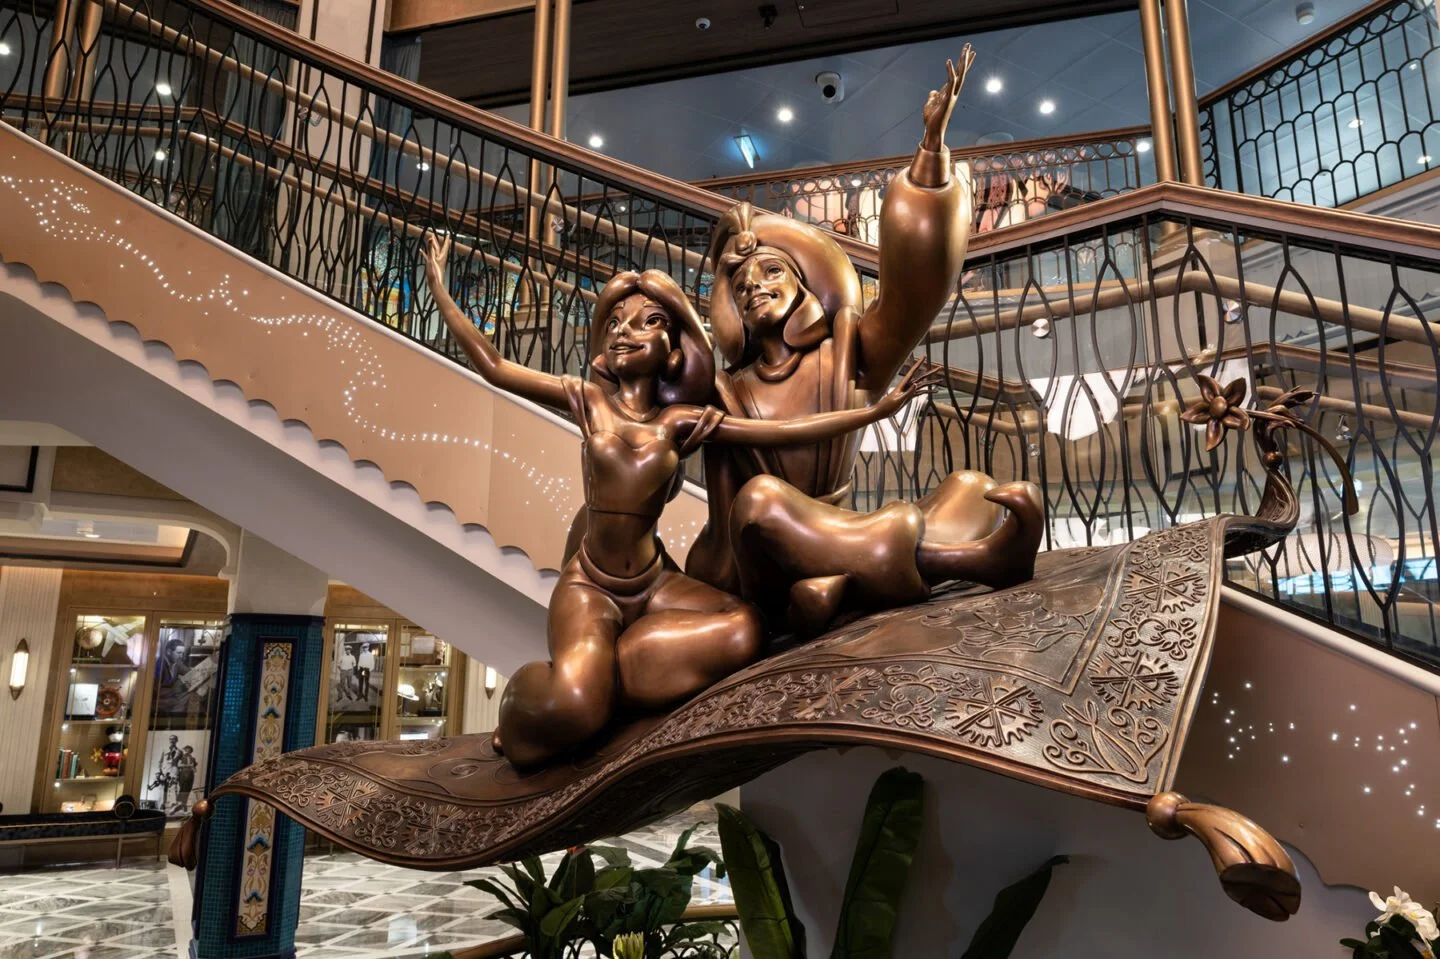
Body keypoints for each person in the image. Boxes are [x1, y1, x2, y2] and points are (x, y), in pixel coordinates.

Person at [423, 236, 937, 767]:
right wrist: (440, 285)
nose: (627, 330)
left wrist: (873, 414)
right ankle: (531, 708)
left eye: (649, 321)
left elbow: (782, 433)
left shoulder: (681, 422)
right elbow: (494, 365)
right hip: (593, 584)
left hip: (654, 583)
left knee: (746, 629)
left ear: (674, 349)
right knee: (575, 705)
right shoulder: (588, 401)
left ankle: (614, 673)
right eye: (618, 322)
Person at [685, 49, 1044, 634]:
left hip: (845, 541)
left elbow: (915, 290)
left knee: (970, 489)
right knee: (761, 503)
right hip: (769, 563)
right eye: (742, 286)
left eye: (771, 272)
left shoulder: (843, 352)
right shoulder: (727, 391)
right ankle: (974, 561)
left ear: (803, 282)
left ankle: (841, 586)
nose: (754, 289)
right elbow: (731, 535)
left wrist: (930, 157)